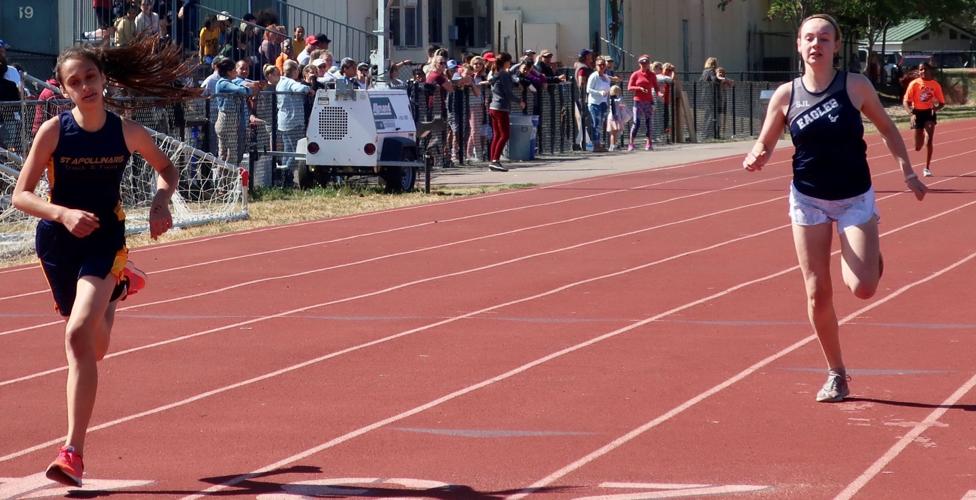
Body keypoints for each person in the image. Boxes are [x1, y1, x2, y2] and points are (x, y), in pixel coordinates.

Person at [11, 34, 196, 487]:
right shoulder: (53, 132)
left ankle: (72, 452)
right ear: (63, 89)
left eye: (91, 76)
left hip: (104, 240)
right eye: (75, 82)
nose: (86, 86)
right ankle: (118, 289)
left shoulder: (126, 131)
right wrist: (62, 213)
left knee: (78, 338)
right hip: (58, 241)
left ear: (103, 78)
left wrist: (159, 202)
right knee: (92, 347)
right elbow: (21, 195)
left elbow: (167, 168)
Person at [742, 14, 927, 403]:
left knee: (862, 288)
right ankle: (836, 373)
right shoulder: (786, 94)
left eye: (824, 38)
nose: (816, 44)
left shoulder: (855, 86)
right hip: (808, 198)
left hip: (854, 197)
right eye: (809, 38)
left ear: (836, 46)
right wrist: (757, 155)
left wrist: (907, 171)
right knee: (817, 293)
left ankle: (868, 253)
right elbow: (766, 142)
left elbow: (888, 129)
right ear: (798, 44)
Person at [902, 62, 945, 177]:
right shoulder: (914, 84)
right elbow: (905, 101)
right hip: (917, 114)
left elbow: (942, 103)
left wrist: (935, 109)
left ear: (930, 70)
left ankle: (927, 168)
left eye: (925, 69)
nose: (923, 72)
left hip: (929, 113)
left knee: (929, 139)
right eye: (921, 70)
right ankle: (921, 133)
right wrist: (911, 114)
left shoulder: (935, 85)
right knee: (917, 147)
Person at [487, 52, 515, 172]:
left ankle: (493, 160)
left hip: (494, 107)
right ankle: (495, 161)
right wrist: (520, 101)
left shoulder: (495, 73)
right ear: (505, 62)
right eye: (509, 61)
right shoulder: (504, 74)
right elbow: (508, 93)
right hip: (500, 108)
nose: (511, 63)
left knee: (497, 135)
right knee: (505, 134)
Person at [627, 54, 658, 151]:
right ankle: (631, 143)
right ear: (639, 64)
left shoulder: (652, 75)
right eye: (642, 63)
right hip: (638, 101)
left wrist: (659, 93)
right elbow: (629, 87)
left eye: (646, 63)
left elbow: (656, 87)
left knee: (649, 122)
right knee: (637, 122)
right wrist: (639, 88)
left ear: (649, 64)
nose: (644, 65)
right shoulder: (635, 74)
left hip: (648, 101)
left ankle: (649, 143)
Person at [586, 56, 612, 152]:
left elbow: (608, 90)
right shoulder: (593, 76)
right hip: (594, 103)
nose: (601, 66)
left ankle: (599, 143)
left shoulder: (606, 77)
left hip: (603, 103)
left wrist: (607, 100)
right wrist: (599, 92)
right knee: (596, 123)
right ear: (596, 66)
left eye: (603, 65)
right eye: (599, 65)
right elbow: (588, 89)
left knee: (600, 124)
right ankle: (595, 144)